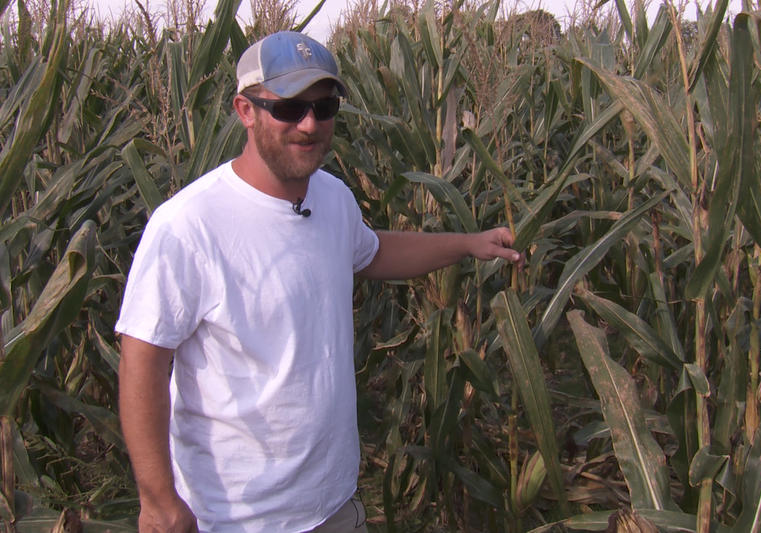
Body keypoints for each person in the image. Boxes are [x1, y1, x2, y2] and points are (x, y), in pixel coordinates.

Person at [116, 31, 523, 533]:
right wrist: (157, 500)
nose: (309, 124)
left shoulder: (332, 197)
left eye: (325, 106)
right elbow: (143, 358)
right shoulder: (188, 226)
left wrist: (468, 243)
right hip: (239, 516)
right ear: (246, 110)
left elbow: (371, 251)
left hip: (334, 501)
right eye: (288, 108)